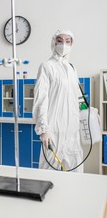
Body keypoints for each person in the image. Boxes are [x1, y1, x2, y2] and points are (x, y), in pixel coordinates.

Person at [33, 29, 83, 172]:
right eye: (60, 41)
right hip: (54, 129)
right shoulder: (47, 66)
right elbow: (41, 99)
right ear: (54, 43)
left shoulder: (72, 68)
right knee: (50, 170)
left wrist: (91, 112)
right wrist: (44, 129)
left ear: (72, 44)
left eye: (68, 41)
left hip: (72, 129)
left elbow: (78, 96)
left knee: (75, 169)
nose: (64, 44)